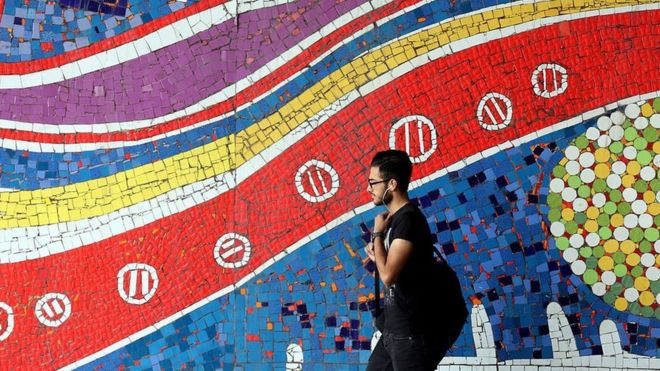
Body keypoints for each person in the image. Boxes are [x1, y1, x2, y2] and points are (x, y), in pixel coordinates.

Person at [365, 150, 449, 371]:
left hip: (411, 334)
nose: (368, 188)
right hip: (393, 330)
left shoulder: (408, 220)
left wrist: (377, 234)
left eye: (373, 182)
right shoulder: (395, 221)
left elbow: (388, 275)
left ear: (391, 184)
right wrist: (378, 250)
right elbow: (394, 269)